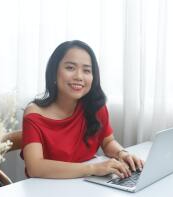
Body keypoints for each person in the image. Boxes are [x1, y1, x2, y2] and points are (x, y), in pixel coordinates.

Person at [21, 40, 144, 179]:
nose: (79, 77)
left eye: (86, 70)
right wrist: (93, 168)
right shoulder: (34, 114)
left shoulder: (95, 106)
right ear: (54, 72)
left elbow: (108, 142)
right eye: (70, 68)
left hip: (86, 187)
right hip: (47, 191)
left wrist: (122, 153)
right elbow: (35, 167)